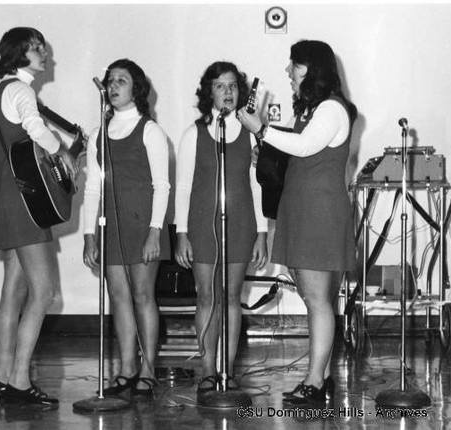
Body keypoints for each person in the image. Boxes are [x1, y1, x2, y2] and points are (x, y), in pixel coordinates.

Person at [238, 40, 357, 405]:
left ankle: (316, 381)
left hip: (320, 213)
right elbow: (291, 148)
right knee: (312, 297)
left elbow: (305, 146)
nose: (288, 73)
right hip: (303, 209)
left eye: (294, 66)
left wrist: (261, 130)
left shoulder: (333, 109)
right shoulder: (309, 111)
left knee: (318, 299)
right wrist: (266, 149)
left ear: (312, 69)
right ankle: (318, 377)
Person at [0, 27, 77, 407]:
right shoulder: (21, 91)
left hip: (10, 199)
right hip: (26, 203)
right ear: (18, 53)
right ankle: (20, 382)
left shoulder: (3, 91)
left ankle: (4, 378)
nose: (45, 54)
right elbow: (36, 129)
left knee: (14, 290)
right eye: (37, 48)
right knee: (44, 292)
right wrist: (65, 154)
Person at [174, 61, 268, 398]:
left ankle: (228, 371)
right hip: (202, 224)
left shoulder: (251, 133)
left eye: (232, 86)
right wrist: (182, 232)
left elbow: (257, 186)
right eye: (219, 86)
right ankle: (208, 371)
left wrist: (261, 233)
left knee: (231, 297)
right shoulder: (193, 133)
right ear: (208, 93)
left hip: (241, 223)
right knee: (207, 297)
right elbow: (183, 187)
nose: (227, 92)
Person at [83, 58, 170, 398]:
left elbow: (162, 185)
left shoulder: (150, 130)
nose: (114, 85)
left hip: (143, 227)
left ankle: (148, 368)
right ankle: (127, 368)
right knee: (118, 297)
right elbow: (93, 187)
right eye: (111, 80)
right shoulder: (97, 135)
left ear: (136, 89)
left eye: (122, 80)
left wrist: (154, 231)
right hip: (111, 227)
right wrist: (90, 236)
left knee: (142, 295)